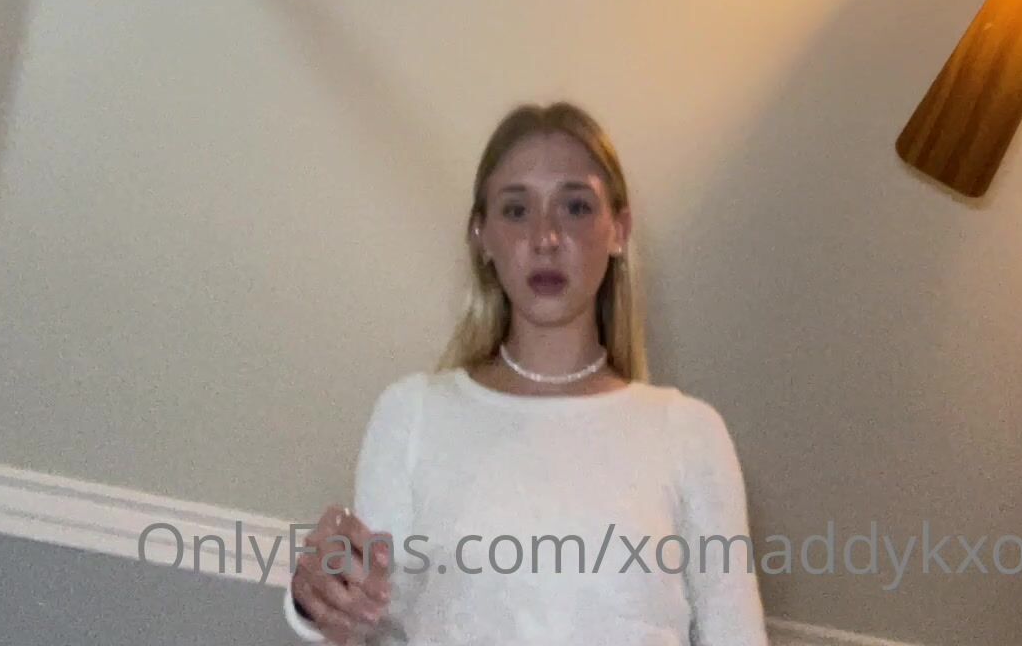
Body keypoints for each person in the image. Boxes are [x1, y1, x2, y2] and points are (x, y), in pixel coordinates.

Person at [285, 100, 769, 644]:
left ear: (619, 229)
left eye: (576, 207)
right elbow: (359, 621)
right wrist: (317, 597)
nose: (546, 237)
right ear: (481, 235)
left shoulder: (690, 434)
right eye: (516, 211)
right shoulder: (412, 415)